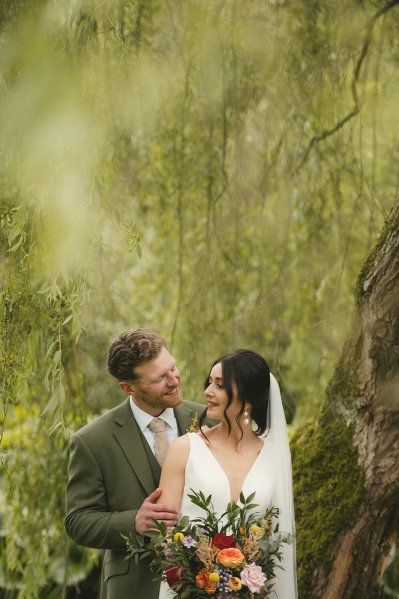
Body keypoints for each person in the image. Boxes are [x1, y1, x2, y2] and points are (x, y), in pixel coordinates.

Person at [65, 329, 207, 599]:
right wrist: (134, 522)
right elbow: (78, 521)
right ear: (128, 388)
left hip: (208, 581)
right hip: (135, 587)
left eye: (173, 367)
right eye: (160, 378)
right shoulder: (92, 441)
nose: (174, 380)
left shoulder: (205, 419)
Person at [157, 349, 297, 598]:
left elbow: (275, 540)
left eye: (219, 385)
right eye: (209, 382)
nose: (208, 391)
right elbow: (164, 533)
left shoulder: (276, 458)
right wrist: (196, 579)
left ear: (248, 397)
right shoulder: (184, 448)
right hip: (188, 590)